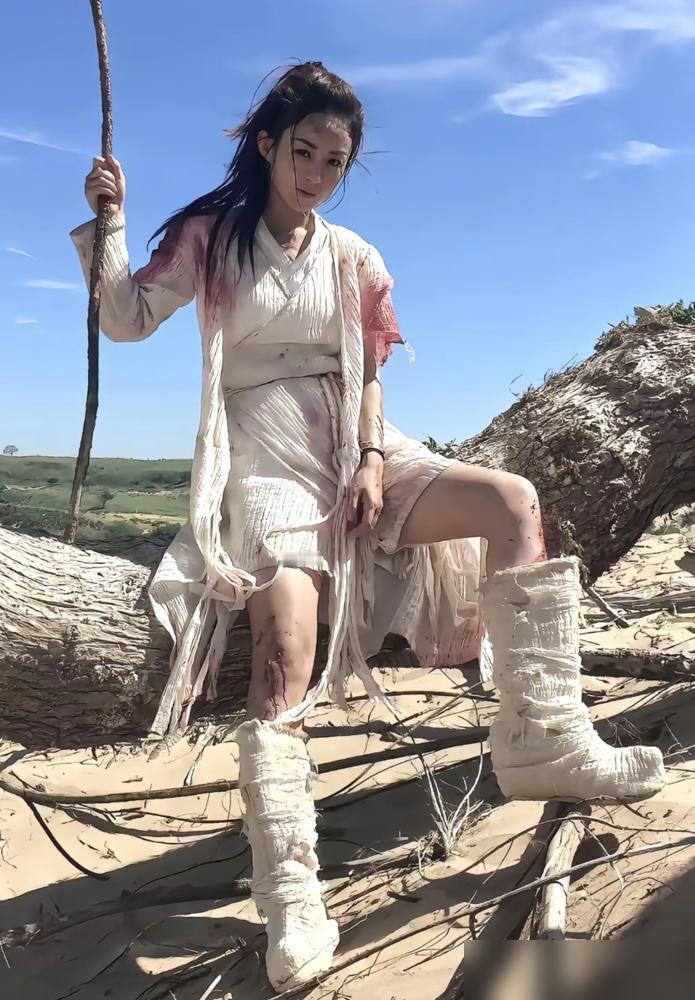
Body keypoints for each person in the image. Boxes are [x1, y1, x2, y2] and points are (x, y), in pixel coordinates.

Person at [71, 61, 665, 992]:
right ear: (266, 143)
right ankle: (290, 893)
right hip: (263, 454)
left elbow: (373, 372)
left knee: (511, 501)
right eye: (302, 151)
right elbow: (124, 317)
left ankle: (543, 736)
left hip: (356, 437)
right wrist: (108, 223)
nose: (315, 173)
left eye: (334, 161)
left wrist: (374, 460)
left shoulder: (353, 256)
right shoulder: (210, 238)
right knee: (284, 649)